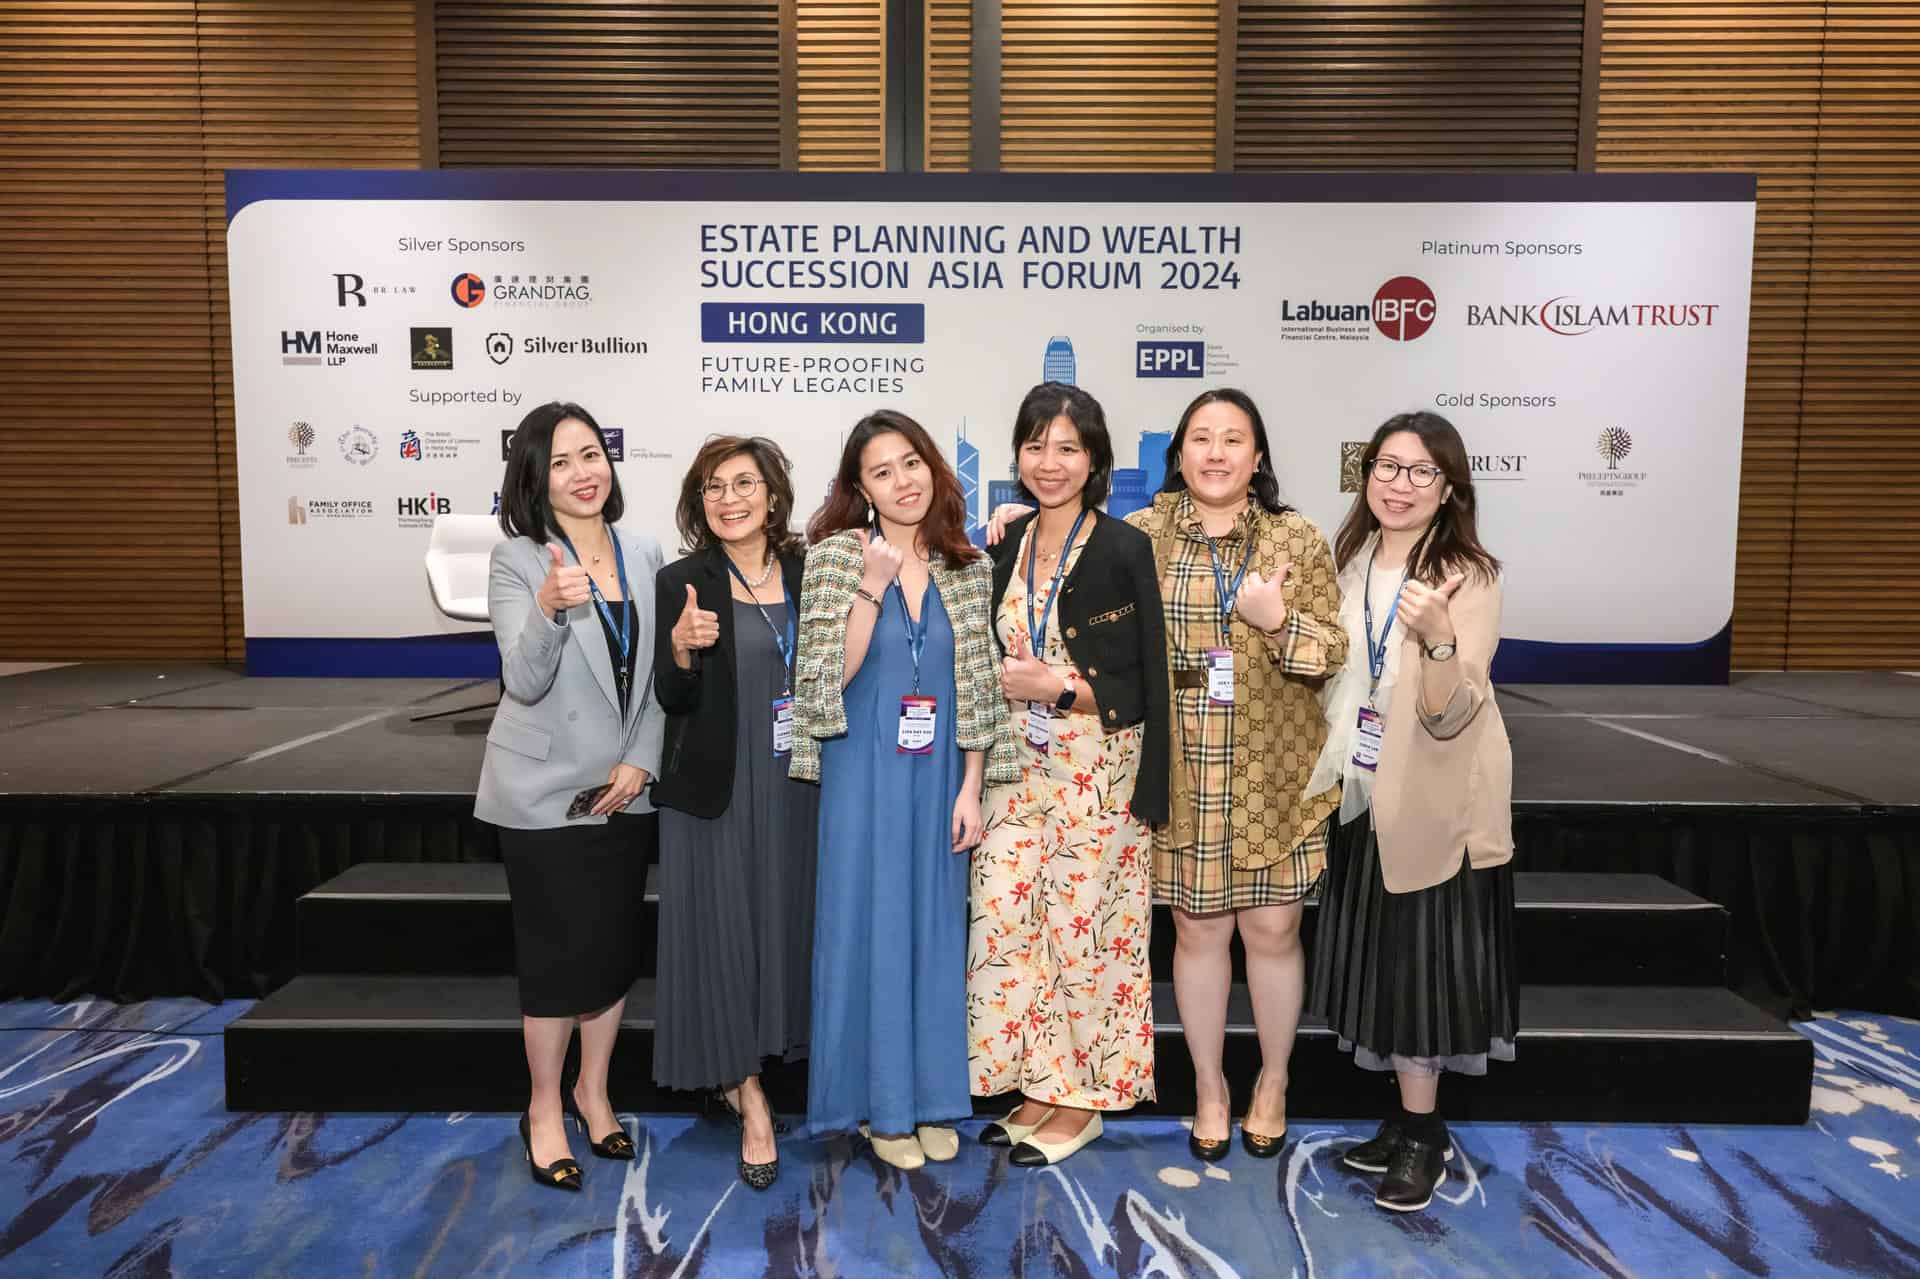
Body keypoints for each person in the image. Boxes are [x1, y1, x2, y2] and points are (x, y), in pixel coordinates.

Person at [789, 408, 1018, 1171]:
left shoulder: (967, 564)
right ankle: (880, 1106)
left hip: (940, 777)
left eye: (911, 463)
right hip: (864, 773)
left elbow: (977, 684)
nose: (902, 481)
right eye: (881, 471)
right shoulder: (835, 556)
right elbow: (824, 681)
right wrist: (871, 587)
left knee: (934, 932)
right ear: (861, 488)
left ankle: (930, 1097)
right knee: (871, 928)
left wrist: (972, 786)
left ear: (932, 467)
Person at [1125, 388, 1347, 1163]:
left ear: (1258, 457)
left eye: (1232, 438)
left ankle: (1274, 1080)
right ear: (1178, 453)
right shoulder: (1140, 535)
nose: (1215, 452)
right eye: (1201, 437)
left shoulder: (1297, 537)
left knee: (1274, 930)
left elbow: (1330, 652)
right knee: (1196, 929)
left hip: (1271, 767)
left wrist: (1276, 622)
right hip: (1183, 763)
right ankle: (1210, 1086)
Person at [1306, 410, 1515, 1213]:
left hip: (1433, 796)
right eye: (1387, 466)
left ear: (1449, 487)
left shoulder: (1468, 574)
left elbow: (1452, 710)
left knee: (1424, 968)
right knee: (1387, 963)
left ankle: (1424, 1136)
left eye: (1421, 471)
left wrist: (1437, 639)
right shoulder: (1352, 557)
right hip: (1364, 788)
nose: (1400, 484)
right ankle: (1402, 1120)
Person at [967, 382, 1169, 1166]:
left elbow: (1147, 680)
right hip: (1013, 771)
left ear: (1094, 460)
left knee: (1086, 935)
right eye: (1035, 445)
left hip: (1098, 771)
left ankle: (1080, 1100)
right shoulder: (1005, 543)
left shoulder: (1123, 548)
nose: (1048, 462)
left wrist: (1059, 688)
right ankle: (1035, 1084)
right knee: (1009, 925)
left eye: (1067, 447)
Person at [474, 401, 665, 1192]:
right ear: (534, 477)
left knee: (611, 954)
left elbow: (661, 674)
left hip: (623, 791)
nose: (583, 473)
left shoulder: (646, 549)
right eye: (560, 462)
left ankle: (594, 1091)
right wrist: (550, 608)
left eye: (591, 454)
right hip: (544, 793)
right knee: (556, 964)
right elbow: (522, 680)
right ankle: (545, 1107)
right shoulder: (517, 559)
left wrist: (642, 760)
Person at [649, 435, 816, 1191]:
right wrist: (681, 649)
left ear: (772, 495)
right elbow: (672, 696)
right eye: (713, 487)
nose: (729, 499)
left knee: (781, 926)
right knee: (724, 935)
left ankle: (774, 1057)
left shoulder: (813, 572)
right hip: (716, 788)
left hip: (797, 785)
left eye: (744, 483)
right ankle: (748, 1096)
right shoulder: (682, 581)